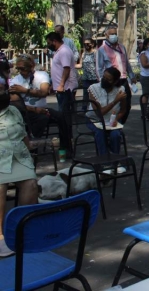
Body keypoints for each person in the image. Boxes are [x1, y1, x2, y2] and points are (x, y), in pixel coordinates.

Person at [0, 86, 38, 257]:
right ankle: (0, 236)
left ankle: (23, 228)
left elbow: (23, 133)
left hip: (18, 157)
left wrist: (30, 146)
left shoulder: (13, 110)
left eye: (4, 91)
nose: (3, 94)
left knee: (30, 183)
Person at [8, 54, 72, 154]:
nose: (21, 71)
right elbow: (16, 104)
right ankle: (32, 146)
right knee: (42, 118)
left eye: (23, 68)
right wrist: (35, 109)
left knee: (61, 117)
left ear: (31, 66)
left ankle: (66, 147)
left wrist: (24, 90)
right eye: (18, 68)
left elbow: (44, 93)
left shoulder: (42, 75)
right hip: (27, 111)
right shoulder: (15, 81)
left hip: (42, 109)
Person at [96, 26, 136, 124]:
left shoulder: (121, 47)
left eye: (115, 33)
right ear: (106, 35)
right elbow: (99, 68)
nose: (114, 36)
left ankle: (119, 123)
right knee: (113, 104)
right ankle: (111, 125)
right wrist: (102, 82)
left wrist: (132, 75)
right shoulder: (101, 50)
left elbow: (126, 62)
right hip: (112, 81)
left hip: (123, 79)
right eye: (111, 34)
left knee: (126, 105)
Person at [87, 67, 127, 156]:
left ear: (115, 81)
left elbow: (123, 110)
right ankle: (104, 160)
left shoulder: (121, 90)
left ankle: (115, 159)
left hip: (111, 120)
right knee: (100, 133)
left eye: (108, 80)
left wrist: (116, 119)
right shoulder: (93, 88)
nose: (104, 80)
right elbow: (100, 113)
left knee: (115, 135)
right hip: (95, 120)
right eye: (103, 77)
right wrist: (115, 101)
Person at [46, 32, 78, 115]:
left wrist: (61, 85)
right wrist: (54, 85)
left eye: (49, 43)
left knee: (64, 113)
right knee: (63, 112)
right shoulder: (59, 51)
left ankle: (65, 127)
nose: (48, 45)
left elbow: (66, 69)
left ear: (54, 41)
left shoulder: (64, 51)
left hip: (65, 89)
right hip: (61, 88)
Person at [77, 38, 99, 110]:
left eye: (88, 44)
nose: (86, 45)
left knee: (95, 95)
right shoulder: (84, 54)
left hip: (95, 78)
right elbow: (80, 65)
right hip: (86, 78)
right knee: (85, 94)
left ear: (92, 44)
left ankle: (96, 109)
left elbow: (99, 65)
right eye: (84, 44)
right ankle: (84, 109)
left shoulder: (96, 53)